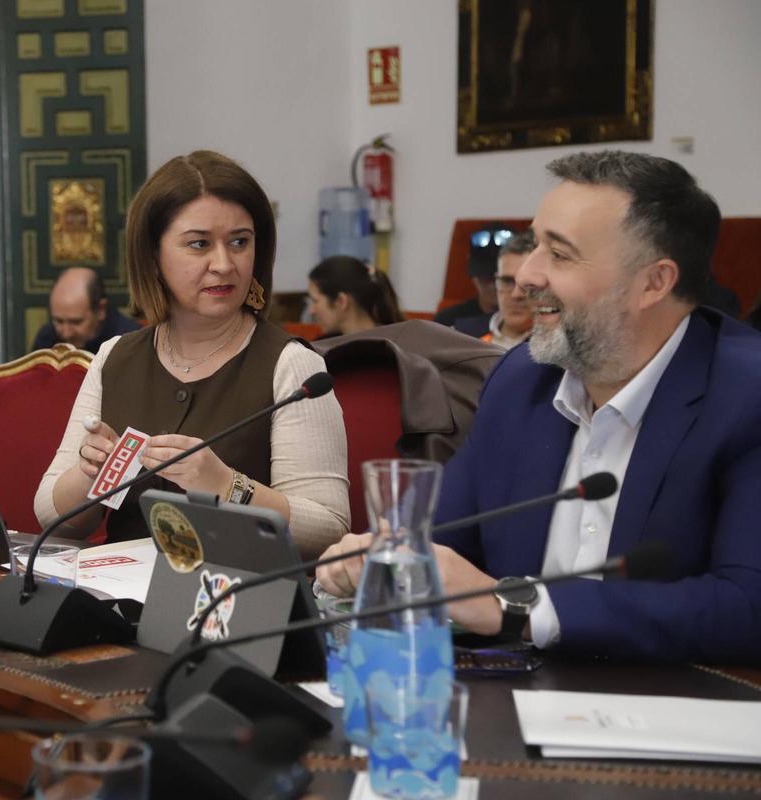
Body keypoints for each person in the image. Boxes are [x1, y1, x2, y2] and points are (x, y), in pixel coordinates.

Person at [317, 151, 761, 664]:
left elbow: (747, 608)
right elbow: (436, 538)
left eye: (560, 254)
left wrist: (517, 607)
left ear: (654, 283)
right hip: (516, 703)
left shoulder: (745, 397)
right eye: (533, 246)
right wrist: (374, 558)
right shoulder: (521, 382)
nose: (526, 277)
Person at [34, 151, 350, 557]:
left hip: (238, 604)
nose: (224, 264)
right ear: (153, 255)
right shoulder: (115, 357)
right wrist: (90, 474)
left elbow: (330, 528)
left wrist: (226, 486)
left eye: (240, 242)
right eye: (199, 244)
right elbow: (48, 513)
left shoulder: (293, 366)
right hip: (118, 604)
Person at [31, 267, 139, 351]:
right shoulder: (47, 338)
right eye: (58, 321)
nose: (66, 333)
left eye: (76, 322)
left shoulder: (129, 343)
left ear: (101, 310)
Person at [434, 222, 515, 331]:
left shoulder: (536, 322)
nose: (495, 285)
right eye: (486, 276)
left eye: (506, 279)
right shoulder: (448, 321)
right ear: (474, 277)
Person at [306, 255, 403, 337]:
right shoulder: (323, 345)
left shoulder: (387, 350)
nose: (312, 311)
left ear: (341, 301)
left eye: (315, 301)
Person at [479, 229, 535, 349]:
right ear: (496, 281)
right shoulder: (460, 333)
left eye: (527, 284)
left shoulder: (560, 349)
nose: (516, 295)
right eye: (507, 281)